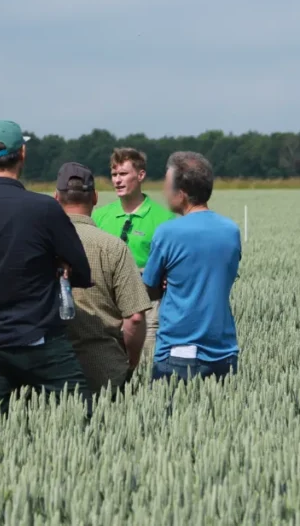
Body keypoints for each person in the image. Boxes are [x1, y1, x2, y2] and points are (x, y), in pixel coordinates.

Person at [0, 119, 93, 420]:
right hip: (40, 339)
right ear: (23, 154)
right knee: (80, 420)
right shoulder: (44, 208)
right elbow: (81, 270)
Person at [54, 162, 152, 398]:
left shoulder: (40, 243)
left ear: (56, 198)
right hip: (104, 368)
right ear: (95, 197)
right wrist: (131, 360)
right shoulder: (114, 247)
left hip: (52, 367)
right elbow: (135, 318)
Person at [143, 152, 241, 382]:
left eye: (167, 185)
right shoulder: (231, 230)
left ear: (182, 193)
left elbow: (149, 289)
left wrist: (164, 282)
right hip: (223, 351)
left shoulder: (168, 232)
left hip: (177, 351)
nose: (164, 192)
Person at [91, 148, 175, 357]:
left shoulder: (164, 218)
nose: (117, 180)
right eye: (114, 174)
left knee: (146, 364)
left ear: (140, 175)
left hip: (148, 310)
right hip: (107, 309)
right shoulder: (100, 216)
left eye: (123, 174)